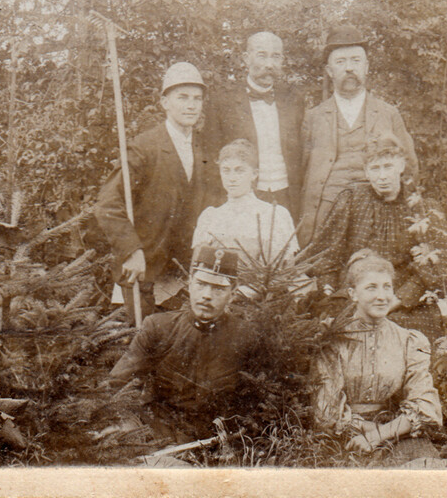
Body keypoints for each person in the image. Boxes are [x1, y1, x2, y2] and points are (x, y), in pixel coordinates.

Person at [93, 62, 211, 324]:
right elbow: (107, 205)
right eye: (182, 98)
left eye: (197, 98)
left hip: (184, 271)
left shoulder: (204, 148)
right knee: (143, 344)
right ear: (164, 102)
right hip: (143, 268)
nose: (191, 105)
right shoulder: (144, 146)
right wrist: (131, 250)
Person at [302, 133, 445, 343]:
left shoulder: (422, 208)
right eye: (375, 169)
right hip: (354, 296)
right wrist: (329, 292)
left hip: (403, 300)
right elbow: (327, 254)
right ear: (366, 172)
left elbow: (435, 265)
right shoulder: (351, 199)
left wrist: (397, 300)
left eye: (388, 166)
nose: (382, 176)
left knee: (410, 336)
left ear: (401, 166)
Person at [109, 246, 258, 442]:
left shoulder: (247, 335)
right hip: (159, 437)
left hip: (218, 440)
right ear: (189, 284)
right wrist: (130, 428)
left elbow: (260, 398)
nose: (207, 295)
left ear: (233, 292)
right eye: (201, 284)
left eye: (218, 289)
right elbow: (117, 385)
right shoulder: (158, 327)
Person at [313, 249, 442, 465]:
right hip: (343, 436)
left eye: (387, 287)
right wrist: (369, 432)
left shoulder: (408, 340)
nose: (382, 297)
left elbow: (425, 404)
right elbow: (327, 413)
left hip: (395, 432)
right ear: (352, 293)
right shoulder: (332, 338)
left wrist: (379, 435)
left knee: (427, 472)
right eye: (371, 288)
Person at [298, 25, 419, 245]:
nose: (349, 68)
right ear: (329, 70)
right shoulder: (313, 117)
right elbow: (303, 171)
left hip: (376, 213)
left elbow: (409, 168)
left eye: (355, 61)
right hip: (327, 212)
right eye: (341, 62)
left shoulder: (388, 113)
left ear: (366, 67)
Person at [201, 31, 304, 218]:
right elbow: (210, 157)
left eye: (276, 57)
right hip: (243, 197)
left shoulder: (294, 99)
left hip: (287, 196)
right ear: (246, 59)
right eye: (262, 55)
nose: (269, 65)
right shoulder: (223, 101)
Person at [192, 139, 299, 265]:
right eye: (226, 170)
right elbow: (197, 272)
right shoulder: (210, 217)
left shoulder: (275, 215)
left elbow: (282, 271)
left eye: (240, 170)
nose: (232, 178)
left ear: (254, 174)